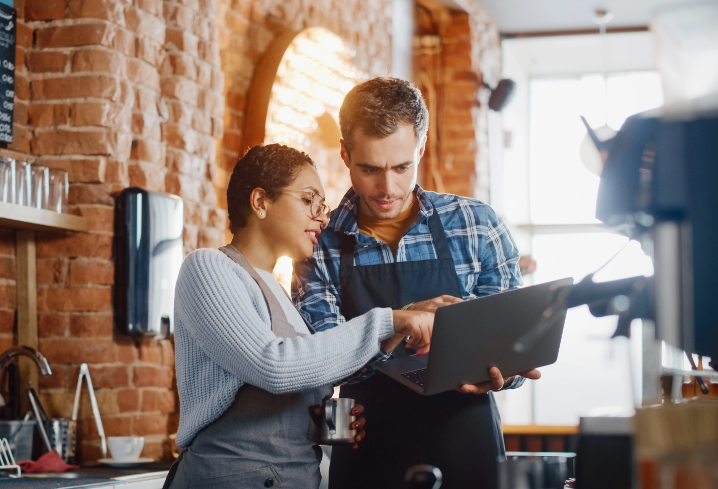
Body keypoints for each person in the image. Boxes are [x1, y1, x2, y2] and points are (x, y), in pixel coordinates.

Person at [292, 77, 541, 489]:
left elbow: (512, 344)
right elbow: (321, 360)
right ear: (345, 153)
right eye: (369, 168)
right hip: (369, 455)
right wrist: (399, 322)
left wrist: (505, 370)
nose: (387, 188)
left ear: (420, 148)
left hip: (468, 447)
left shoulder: (477, 225)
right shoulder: (319, 243)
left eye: (401, 167)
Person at [163, 144, 435, 489]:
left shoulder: (281, 295)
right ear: (260, 202)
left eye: (323, 205)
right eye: (309, 200)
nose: (322, 217)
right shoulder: (208, 267)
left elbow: (288, 381)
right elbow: (273, 365)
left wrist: (317, 425)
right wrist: (389, 321)